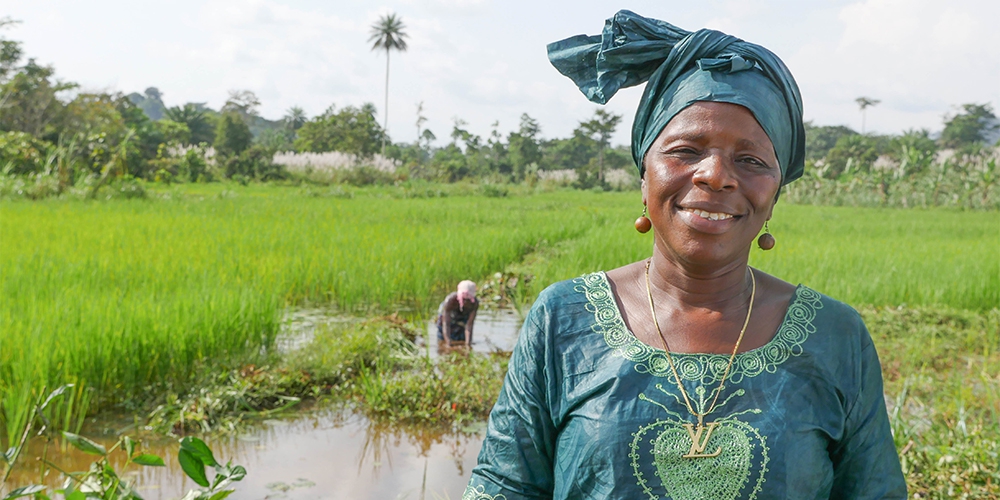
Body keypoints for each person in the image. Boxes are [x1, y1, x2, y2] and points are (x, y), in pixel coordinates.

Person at [464, 11, 905, 499]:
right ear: (644, 173)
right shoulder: (562, 320)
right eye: (685, 150)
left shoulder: (836, 336)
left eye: (751, 160)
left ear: (775, 192)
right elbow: (505, 486)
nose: (716, 175)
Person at [437, 280, 479, 347]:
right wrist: (448, 342)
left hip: (463, 316)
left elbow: (469, 325)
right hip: (448, 316)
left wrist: (468, 344)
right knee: (443, 339)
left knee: (461, 337)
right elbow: (446, 324)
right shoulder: (450, 301)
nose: (465, 302)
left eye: (468, 300)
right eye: (463, 299)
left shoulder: (474, 304)